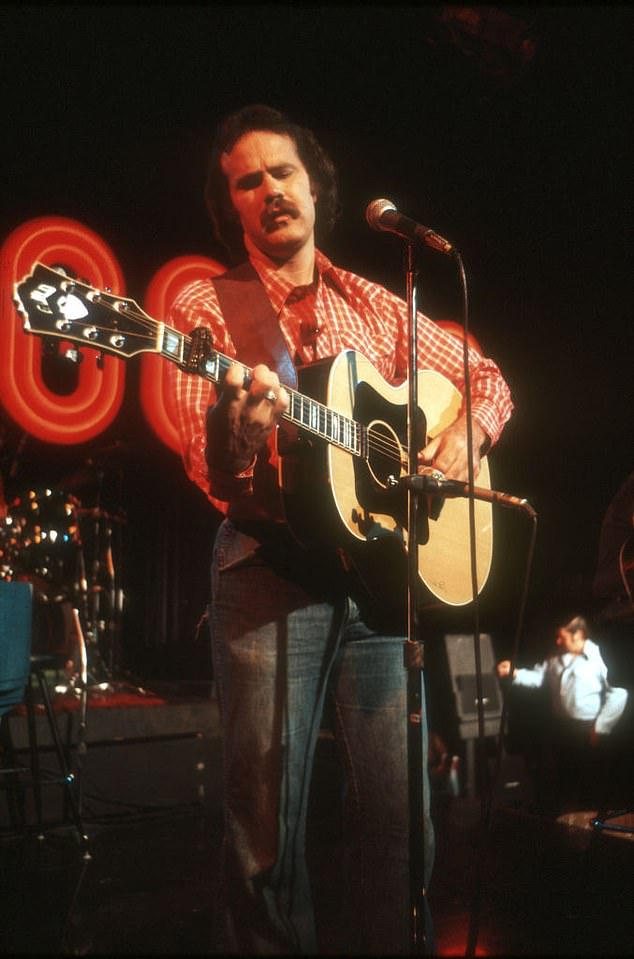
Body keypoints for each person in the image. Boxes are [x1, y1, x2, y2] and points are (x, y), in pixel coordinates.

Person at [166, 104, 513, 955]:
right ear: (233, 208)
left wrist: (462, 439)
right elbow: (209, 463)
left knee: (404, 828)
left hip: (379, 576)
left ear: (315, 188)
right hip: (270, 570)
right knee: (263, 837)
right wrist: (235, 436)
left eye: (282, 172)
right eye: (248, 182)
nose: (269, 190)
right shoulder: (210, 305)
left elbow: (490, 380)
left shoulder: (375, 302)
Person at [497, 613, 628, 815]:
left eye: (562, 637)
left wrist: (600, 728)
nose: (557, 641)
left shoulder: (599, 656)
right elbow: (538, 678)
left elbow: (618, 693)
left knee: (590, 782)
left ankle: (592, 828)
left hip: (588, 731)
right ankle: (567, 828)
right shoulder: (555, 657)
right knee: (564, 782)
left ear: (579, 635)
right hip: (561, 730)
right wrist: (514, 672)